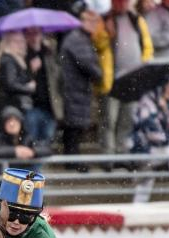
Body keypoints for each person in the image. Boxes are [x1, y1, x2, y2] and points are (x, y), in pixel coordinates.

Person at [99, 0, 154, 155]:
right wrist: (106, 33)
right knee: (109, 120)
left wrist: (143, 66)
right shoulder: (103, 20)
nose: (121, 4)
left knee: (128, 119)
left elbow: (147, 46)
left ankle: (122, 152)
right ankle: (108, 155)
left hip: (133, 80)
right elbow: (97, 45)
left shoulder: (137, 20)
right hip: (112, 80)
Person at [59, 2, 106, 158]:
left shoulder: (79, 38)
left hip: (76, 88)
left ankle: (73, 159)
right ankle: (73, 160)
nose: (95, 26)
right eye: (92, 22)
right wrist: (100, 74)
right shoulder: (77, 39)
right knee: (74, 128)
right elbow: (88, 64)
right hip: (74, 88)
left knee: (74, 127)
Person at [129, 76, 169, 203]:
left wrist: (165, 110)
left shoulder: (168, 103)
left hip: (157, 149)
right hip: (143, 149)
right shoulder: (147, 102)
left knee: (147, 181)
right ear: (162, 87)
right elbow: (152, 133)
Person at [0, 106, 52, 175]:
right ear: (3, 123)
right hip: (0, 183)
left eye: (15, 120)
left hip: (24, 183)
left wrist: (32, 152)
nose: (12, 124)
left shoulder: (28, 138)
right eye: (8, 121)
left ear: (20, 123)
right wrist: (14, 151)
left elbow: (47, 148)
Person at [24, 27, 61, 145]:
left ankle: (41, 164)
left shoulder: (49, 53)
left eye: (37, 34)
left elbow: (58, 76)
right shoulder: (24, 54)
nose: (34, 38)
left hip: (49, 106)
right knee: (31, 141)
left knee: (46, 142)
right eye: (30, 34)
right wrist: (31, 71)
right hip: (32, 107)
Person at [0, 30, 36, 124]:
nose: (20, 44)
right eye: (16, 41)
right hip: (10, 107)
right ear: (7, 43)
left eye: (22, 41)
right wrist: (29, 88)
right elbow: (11, 83)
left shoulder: (17, 59)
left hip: (14, 106)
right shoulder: (8, 60)